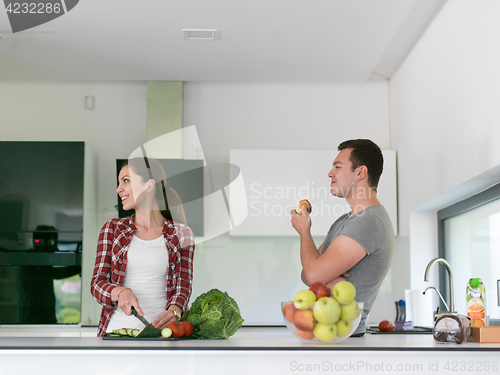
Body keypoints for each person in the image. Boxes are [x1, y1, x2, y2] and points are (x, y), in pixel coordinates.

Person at [291, 139, 394, 336]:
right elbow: (308, 275)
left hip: (345, 338)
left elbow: (312, 275)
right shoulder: (344, 221)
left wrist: (304, 232)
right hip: (329, 334)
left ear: (360, 172)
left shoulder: (368, 222)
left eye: (337, 167)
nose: (330, 173)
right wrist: (323, 277)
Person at [90, 157, 195, 337]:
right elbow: (97, 284)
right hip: (115, 333)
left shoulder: (182, 234)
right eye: (119, 182)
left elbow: (183, 286)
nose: (119, 189)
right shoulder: (112, 229)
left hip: (162, 335)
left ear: (149, 185)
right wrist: (121, 292)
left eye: (126, 180)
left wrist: (175, 312)